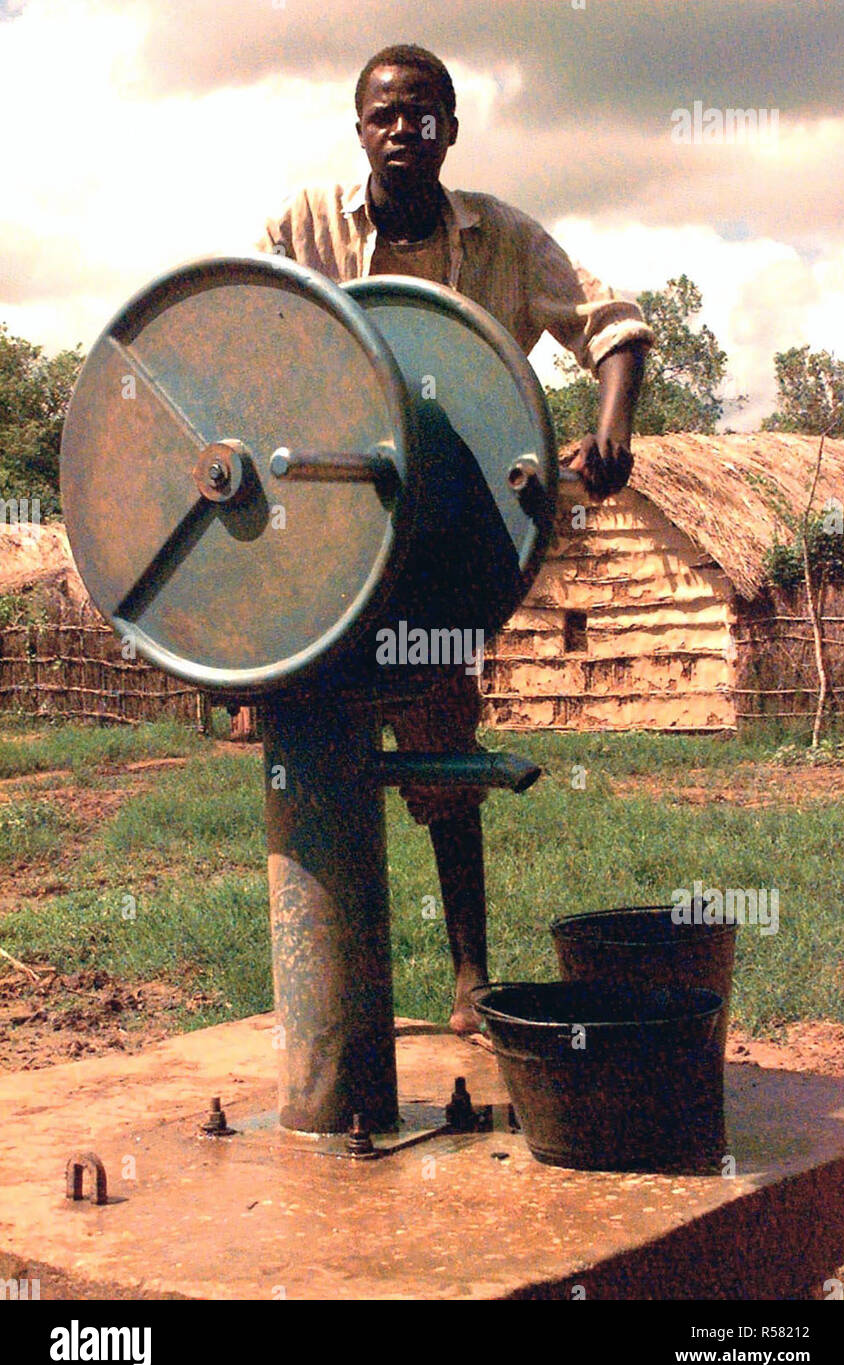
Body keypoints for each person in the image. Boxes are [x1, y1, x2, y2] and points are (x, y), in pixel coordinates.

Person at [258, 44, 652, 1034]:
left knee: (441, 748)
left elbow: (615, 328)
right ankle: (327, 1001)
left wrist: (610, 430)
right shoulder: (296, 228)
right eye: (386, 115)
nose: (405, 131)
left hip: (442, 548)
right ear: (359, 130)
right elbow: (243, 346)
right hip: (320, 534)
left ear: (451, 130)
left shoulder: (504, 241)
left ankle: (468, 974)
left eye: (425, 115)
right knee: (307, 751)